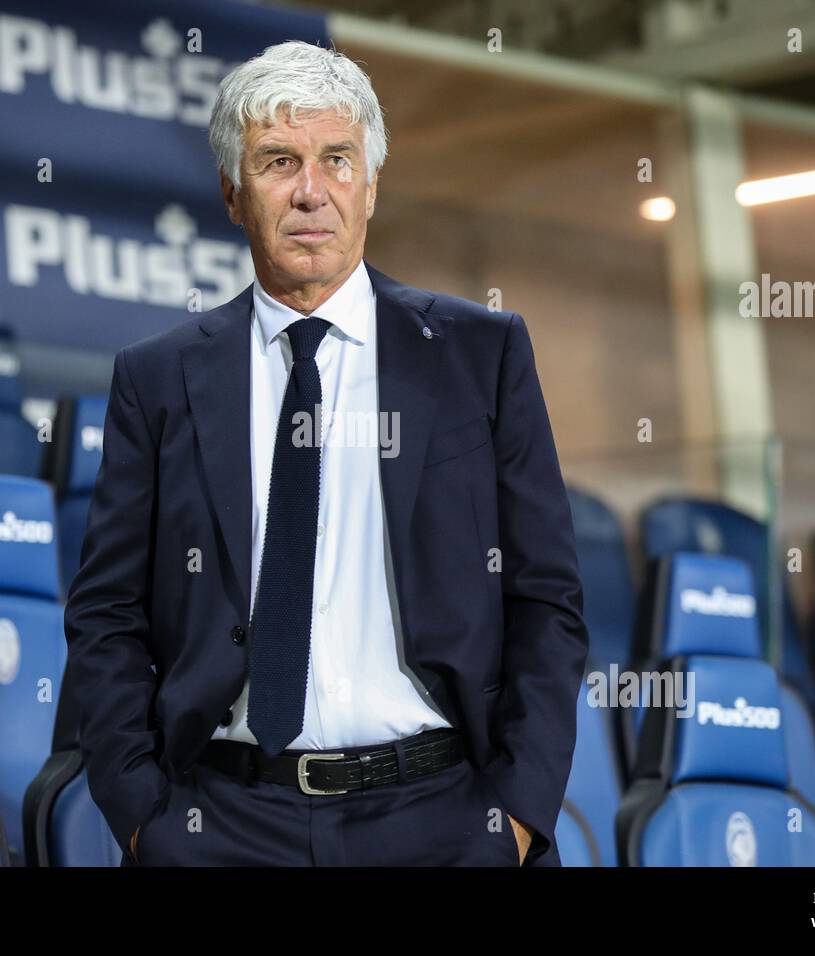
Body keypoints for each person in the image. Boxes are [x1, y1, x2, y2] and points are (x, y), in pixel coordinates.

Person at [64, 39, 587, 866]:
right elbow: (108, 617)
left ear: (371, 185)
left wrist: (516, 816)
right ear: (233, 194)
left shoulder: (480, 354)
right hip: (222, 824)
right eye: (279, 161)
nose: (312, 191)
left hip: (445, 819)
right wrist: (144, 821)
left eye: (336, 160)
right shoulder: (156, 379)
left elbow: (547, 598)